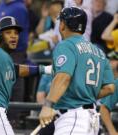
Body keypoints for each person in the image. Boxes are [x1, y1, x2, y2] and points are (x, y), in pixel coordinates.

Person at [38, 7, 115, 135]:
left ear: (63, 24)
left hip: (73, 118)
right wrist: (84, 94)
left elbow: (63, 77)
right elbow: (110, 88)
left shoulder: (66, 45)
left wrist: (48, 105)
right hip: (90, 119)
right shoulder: (99, 52)